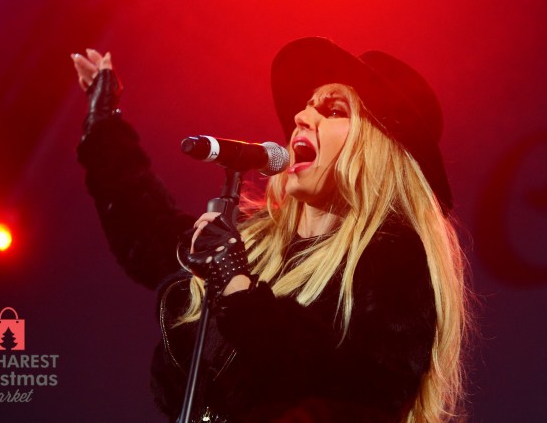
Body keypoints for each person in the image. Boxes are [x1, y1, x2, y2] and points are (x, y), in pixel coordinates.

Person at [72, 37, 469, 422]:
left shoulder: (394, 259)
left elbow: (363, 392)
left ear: (379, 149)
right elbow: (147, 229)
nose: (301, 117)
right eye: (307, 106)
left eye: (333, 110)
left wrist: (239, 292)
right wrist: (104, 120)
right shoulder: (254, 243)